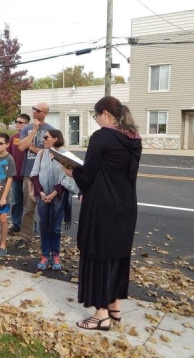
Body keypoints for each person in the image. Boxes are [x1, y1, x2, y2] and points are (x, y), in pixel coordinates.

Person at [63, 96, 142, 331]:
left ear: (105, 114)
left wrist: (71, 172)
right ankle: (114, 306)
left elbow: (87, 176)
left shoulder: (102, 137)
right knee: (118, 255)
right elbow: (113, 174)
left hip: (102, 208)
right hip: (126, 206)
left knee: (97, 255)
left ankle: (100, 315)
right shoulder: (134, 138)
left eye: (96, 115)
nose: (96, 120)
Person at [30, 130, 76, 271]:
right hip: (42, 196)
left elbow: (68, 178)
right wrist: (41, 192)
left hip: (59, 197)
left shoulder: (65, 155)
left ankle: (55, 254)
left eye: (46, 137)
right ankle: (45, 254)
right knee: (44, 225)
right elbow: (34, 173)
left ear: (55, 139)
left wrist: (54, 193)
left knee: (55, 227)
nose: (43, 140)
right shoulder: (41, 154)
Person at [15, 103, 55, 249]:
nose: (34, 112)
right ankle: (26, 237)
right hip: (28, 173)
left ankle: (48, 237)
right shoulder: (26, 128)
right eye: (34, 109)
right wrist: (34, 131)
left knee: (46, 208)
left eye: (38, 110)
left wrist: (32, 147)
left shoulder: (51, 130)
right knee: (28, 207)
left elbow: (51, 151)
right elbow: (21, 146)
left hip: (46, 174)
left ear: (44, 113)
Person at [7, 113, 30, 234]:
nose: (17, 124)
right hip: (16, 176)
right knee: (16, 202)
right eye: (16, 122)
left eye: (20, 122)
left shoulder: (32, 137)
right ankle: (16, 224)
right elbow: (8, 155)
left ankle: (31, 227)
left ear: (27, 124)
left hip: (28, 175)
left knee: (29, 204)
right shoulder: (13, 138)